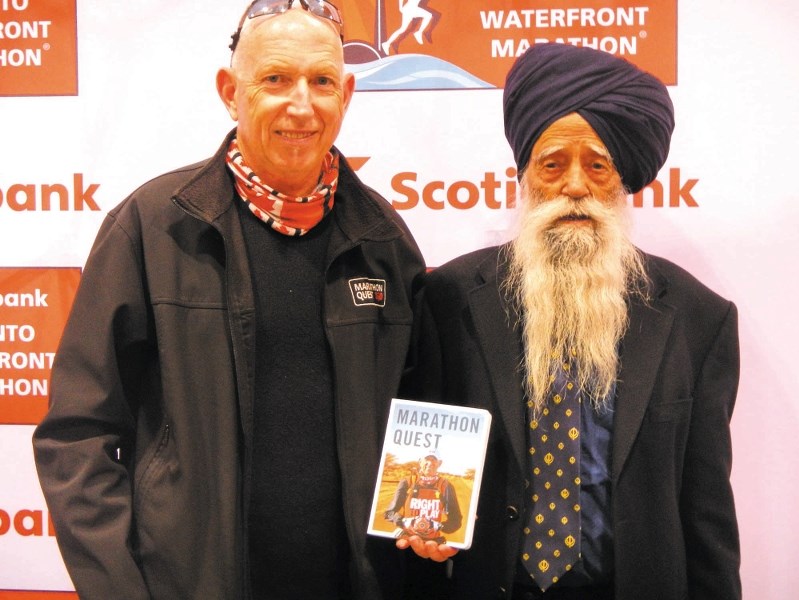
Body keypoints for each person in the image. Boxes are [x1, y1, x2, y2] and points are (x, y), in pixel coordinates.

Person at [31, 2, 425, 599]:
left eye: (321, 81)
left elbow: (427, 413)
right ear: (229, 90)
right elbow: (76, 437)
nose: (301, 104)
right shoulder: (154, 228)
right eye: (275, 79)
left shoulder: (382, 240)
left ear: (346, 95)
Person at [400, 43, 741, 599]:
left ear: (623, 180)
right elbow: (422, 472)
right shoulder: (449, 298)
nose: (575, 186)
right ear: (525, 177)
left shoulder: (697, 317)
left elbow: (707, 514)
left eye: (597, 166)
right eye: (553, 164)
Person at [384, 450, 463, 544]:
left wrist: (438, 526)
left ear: (439, 463)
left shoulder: (445, 486)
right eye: (427, 459)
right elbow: (389, 513)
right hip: (407, 537)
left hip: (433, 541)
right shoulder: (407, 482)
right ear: (420, 461)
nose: (430, 463)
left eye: (434, 460)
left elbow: (456, 520)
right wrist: (403, 521)